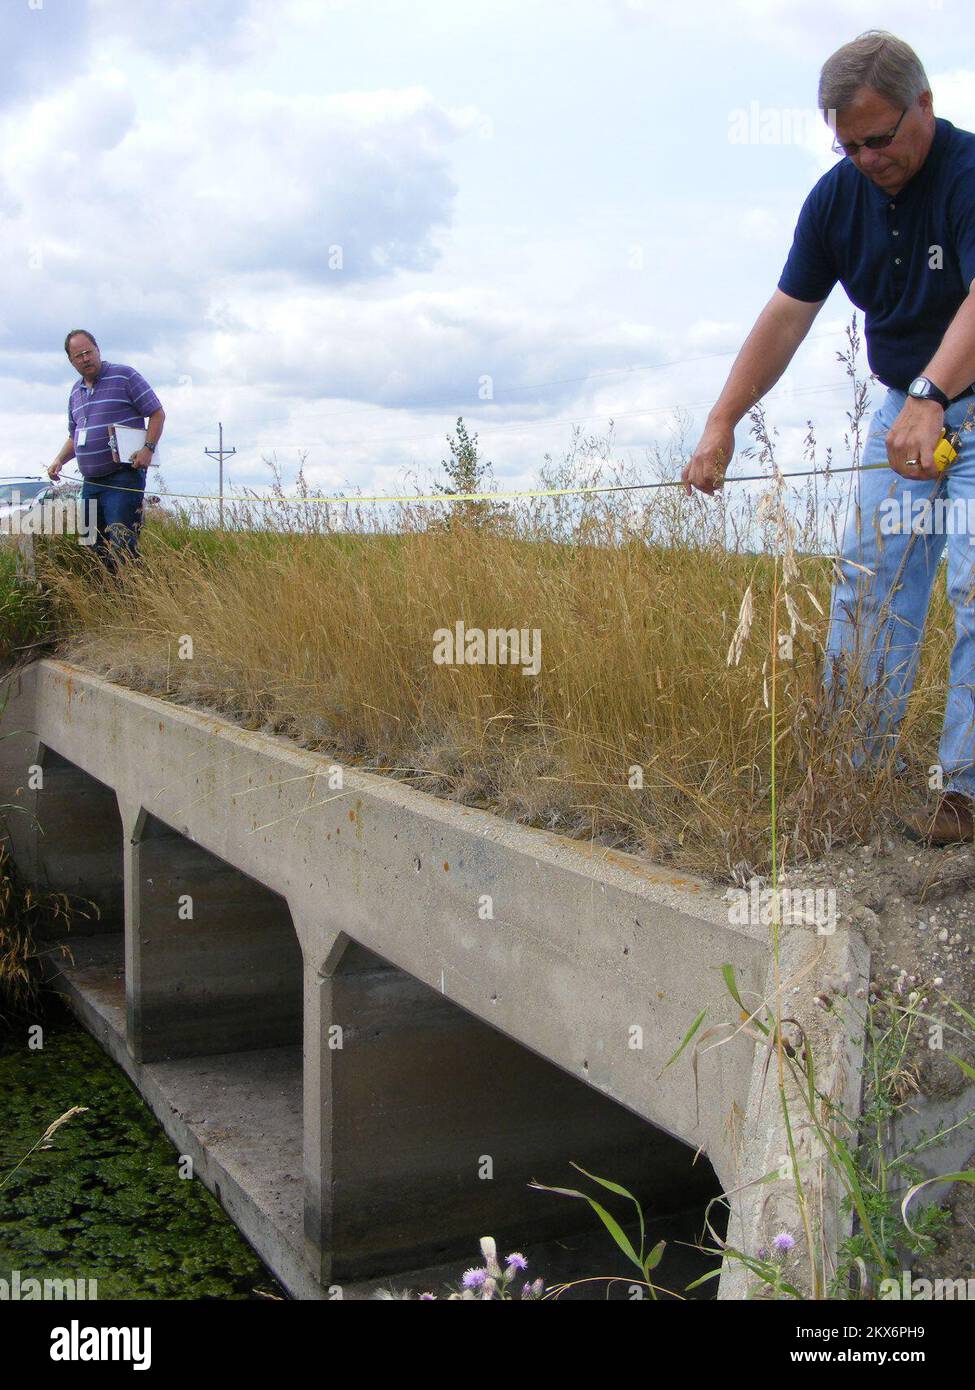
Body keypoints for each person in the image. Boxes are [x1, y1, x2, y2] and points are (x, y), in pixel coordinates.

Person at [683, 30, 975, 846]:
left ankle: (965, 797)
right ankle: (851, 777)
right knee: (869, 587)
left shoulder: (967, 173)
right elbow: (786, 314)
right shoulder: (835, 196)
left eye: (878, 138)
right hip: (903, 418)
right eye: (847, 143)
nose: (865, 157)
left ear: (924, 104)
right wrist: (720, 420)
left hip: (952, 403)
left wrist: (932, 391)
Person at [47, 330, 165, 566]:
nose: (85, 358)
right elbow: (75, 435)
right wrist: (59, 460)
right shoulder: (75, 392)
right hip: (91, 483)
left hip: (123, 478)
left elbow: (157, 413)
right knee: (91, 546)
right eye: (78, 355)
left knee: (122, 546)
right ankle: (103, 600)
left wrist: (148, 449)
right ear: (71, 361)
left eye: (88, 352)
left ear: (98, 350)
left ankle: (131, 599)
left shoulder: (125, 376)